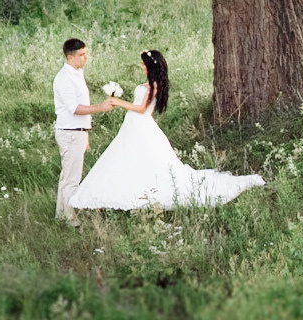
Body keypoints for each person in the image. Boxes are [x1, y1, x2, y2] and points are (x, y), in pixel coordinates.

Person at [67, 48, 266, 210]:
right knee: (128, 157)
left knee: (148, 161)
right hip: (134, 125)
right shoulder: (151, 83)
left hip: (140, 124)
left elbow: (143, 108)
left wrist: (119, 102)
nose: (142, 67)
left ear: (150, 66)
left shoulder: (154, 85)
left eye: (144, 65)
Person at [54, 37, 123, 226]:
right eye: (82, 55)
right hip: (69, 131)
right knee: (71, 177)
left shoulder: (78, 73)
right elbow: (74, 108)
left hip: (78, 131)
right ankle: (69, 217)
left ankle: (61, 213)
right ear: (70, 57)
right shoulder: (64, 78)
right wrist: (101, 107)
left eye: (86, 53)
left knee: (68, 174)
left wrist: (86, 133)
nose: (86, 58)